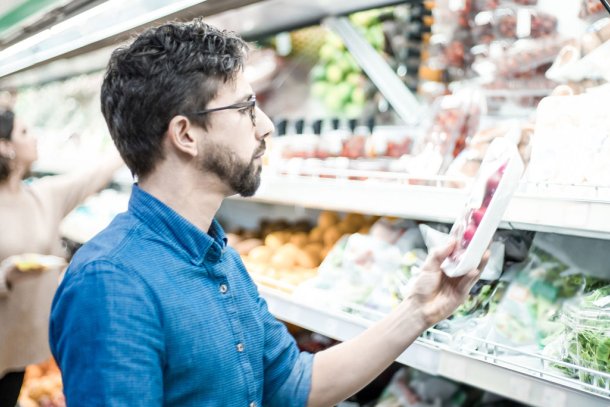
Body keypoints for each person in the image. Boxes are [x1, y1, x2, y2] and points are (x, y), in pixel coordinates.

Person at [49, 19, 481, 407]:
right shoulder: (110, 284)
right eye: (244, 109)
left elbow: (294, 384)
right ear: (185, 134)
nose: (266, 125)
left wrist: (419, 311)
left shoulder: (220, 260)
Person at [0, 108, 123, 407]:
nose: (35, 137)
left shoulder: (42, 197)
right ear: (4, 146)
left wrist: (136, 137)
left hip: (17, 349)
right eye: (25, 132)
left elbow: (93, 176)